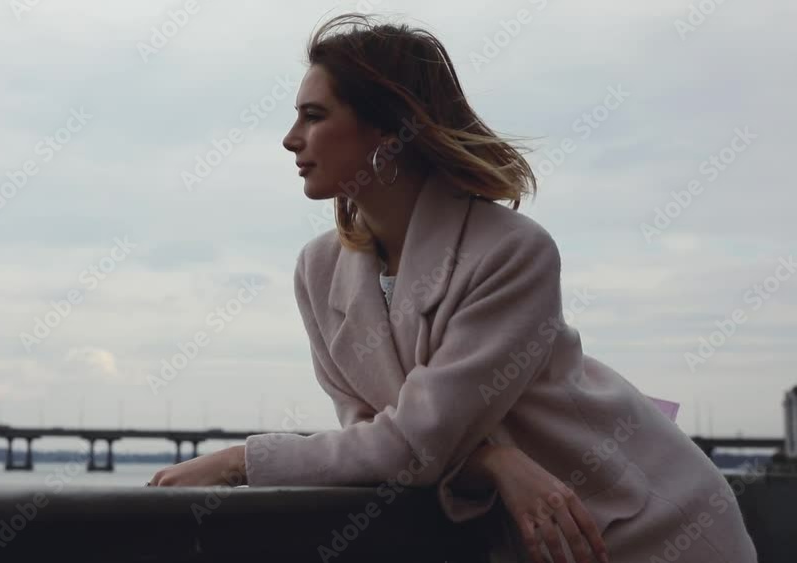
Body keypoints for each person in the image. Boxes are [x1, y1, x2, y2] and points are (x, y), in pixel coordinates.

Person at [149, 13, 758, 563]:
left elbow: (410, 445)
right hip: (522, 538)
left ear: (387, 131)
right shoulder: (319, 271)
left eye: (314, 115)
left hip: (644, 527)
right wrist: (492, 460)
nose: (290, 139)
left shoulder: (513, 252)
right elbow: (380, 440)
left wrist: (238, 462)